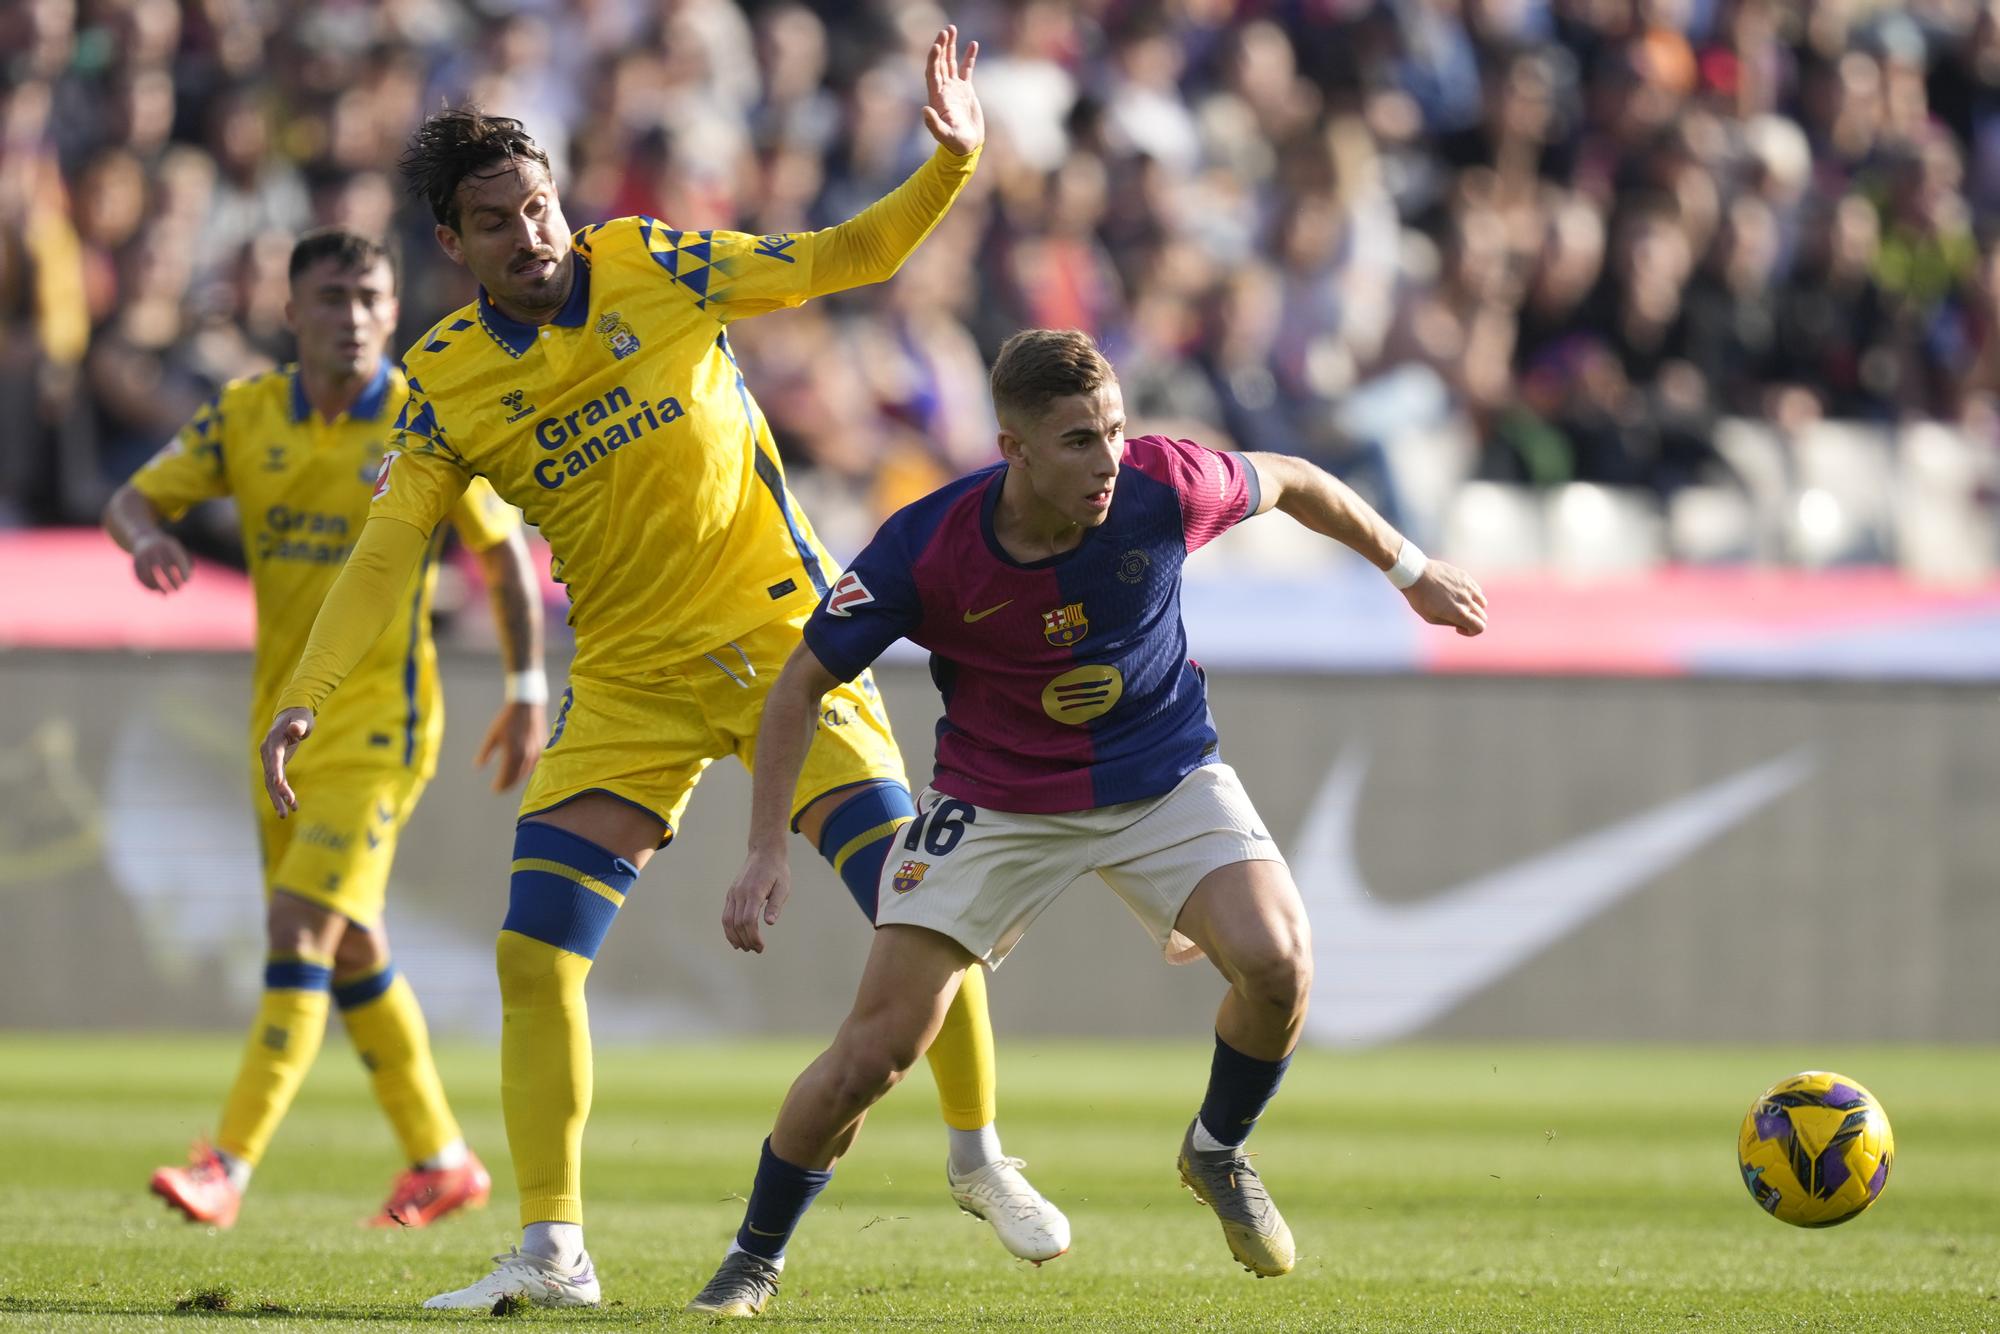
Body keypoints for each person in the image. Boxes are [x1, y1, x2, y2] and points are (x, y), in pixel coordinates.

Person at [257, 28, 1067, 1311]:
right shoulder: (444, 379)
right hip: (630, 681)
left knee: (920, 906)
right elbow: (386, 550)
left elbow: (832, 261)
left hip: (783, 646)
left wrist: (949, 166)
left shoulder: (650, 261)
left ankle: (977, 1155)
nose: (532, 235)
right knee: (536, 954)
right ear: (452, 247)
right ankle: (553, 1247)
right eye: (496, 222)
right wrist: (308, 685)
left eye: (538, 205)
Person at [685, 328, 1489, 1317]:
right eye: (1075, 440)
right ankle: (752, 1255)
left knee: (1278, 957)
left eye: (1112, 429)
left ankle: (1217, 1147)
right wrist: (765, 844)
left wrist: (1409, 569)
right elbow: (799, 682)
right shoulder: (925, 544)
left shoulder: (1165, 483)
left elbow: (1294, 478)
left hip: (1162, 777)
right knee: (873, 1054)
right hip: (995, 801)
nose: (1106, 458)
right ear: (1012, 448)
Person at [103, 227, 547, 1231]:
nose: (351, 315)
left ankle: (227, 1162)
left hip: (382, 730)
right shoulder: (246, 417)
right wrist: (148, 540)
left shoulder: (425, 422)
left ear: (392, 313)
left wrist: (525, 686)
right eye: (332, 297)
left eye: (368, 297)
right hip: (281, 730)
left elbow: (507, 561)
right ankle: (440, 1157)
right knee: (349, 945)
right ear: (291, 313)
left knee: (298, 929)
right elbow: (130, 497)